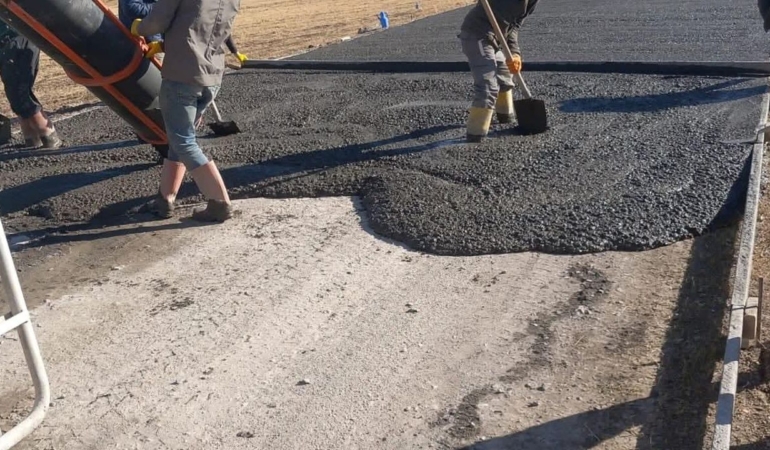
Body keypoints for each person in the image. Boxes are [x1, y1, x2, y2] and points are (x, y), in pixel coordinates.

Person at [131, 0, 239, 222]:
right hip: (212, 75)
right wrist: (166, 45)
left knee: (183, 140)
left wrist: (138, 27)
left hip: (183, 75)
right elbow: (206, 28)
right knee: (179, 137)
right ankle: (165, 200)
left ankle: (220, 202)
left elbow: (156, 23)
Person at [458, 0, 539, 142]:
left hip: (495, 39)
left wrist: (515, 53)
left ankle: (505, 116)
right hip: (477, 35)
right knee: (488, 86)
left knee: (505, 75)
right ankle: (476, 134)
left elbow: (514, 26)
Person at [120, 0, 247, 65]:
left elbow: (217, 24)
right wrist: (168, 7)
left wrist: (235, 51)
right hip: (145, 45)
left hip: (166, 44)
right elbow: (132, 8)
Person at [0, 20, 62, 149]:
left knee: (19, 92)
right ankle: (32, 139)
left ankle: (49, 136)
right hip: (9, 39)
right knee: (15, 92)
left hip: (16, 37)